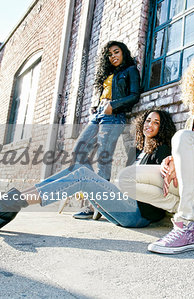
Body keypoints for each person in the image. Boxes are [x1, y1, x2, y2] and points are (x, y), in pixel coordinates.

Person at [0, 109, 176, 231]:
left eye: (156, 123)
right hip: (124, 207)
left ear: (162, 128)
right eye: (147, 120)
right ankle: (9, 203)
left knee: (82, 175)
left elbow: (154, 188)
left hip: (137, 214)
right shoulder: (137, 150)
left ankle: (7, 205)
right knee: (79, 167)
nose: (149, 125)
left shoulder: (162, 150)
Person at [117, 56, 194, 254]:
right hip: (191, 186)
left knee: (183, 137)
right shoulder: (193, 115)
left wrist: (178, 155)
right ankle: (182, 208)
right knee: (125, 178)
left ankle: (186, 226)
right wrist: (171, 160)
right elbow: (186, 151)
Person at [67, 40, 140, 219]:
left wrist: (113, 105)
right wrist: (98, 106)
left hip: (113, 116)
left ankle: (95, 205)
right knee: (79, 152)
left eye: (116, 52)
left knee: (103, 160)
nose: (113, 56)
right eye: (109, 54)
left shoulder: (130, 70)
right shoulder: (109, 74)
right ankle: (97, 197)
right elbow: (107, 93)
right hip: (99, 114)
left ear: (123, 52)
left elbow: (134, 95)